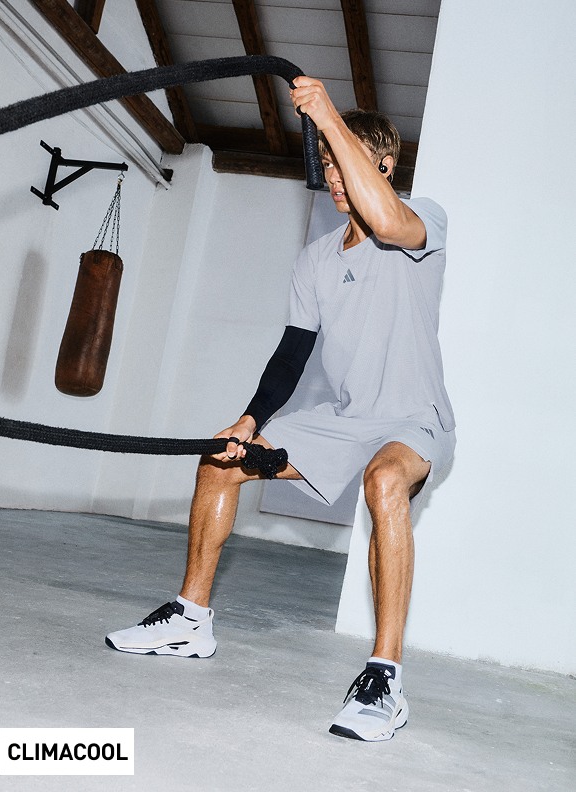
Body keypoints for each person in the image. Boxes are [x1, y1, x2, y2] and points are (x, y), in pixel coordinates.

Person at [106, 76, 456, 743]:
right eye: (326, 160)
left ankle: (385, 678)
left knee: (385, 485)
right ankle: (190, 620)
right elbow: (292, 356)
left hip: (414, 420)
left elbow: (384, 219)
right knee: (219, 461)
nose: (331, 172)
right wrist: (249, 422)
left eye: (343, 157)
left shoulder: (424, 220)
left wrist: (325, 112)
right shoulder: (316, 259)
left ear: (382, 165)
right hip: (343, 420)